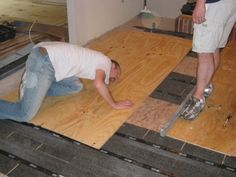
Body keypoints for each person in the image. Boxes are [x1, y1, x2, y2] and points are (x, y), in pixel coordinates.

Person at [0, 41, 133, 122]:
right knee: (25, 114)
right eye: (117, 74)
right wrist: (114, 104)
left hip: (49, 58)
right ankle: (32, 81)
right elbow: (99, 84)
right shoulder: (106, 62)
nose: (116, 78)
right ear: (113, 66)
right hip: (44, 63)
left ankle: (36, 88)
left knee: (77, 86)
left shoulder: (98, 60)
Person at [181, 0, 236, 120]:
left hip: (214, 5)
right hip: (228, 4)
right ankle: (206, 86)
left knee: (204, 51)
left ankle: (198, 98)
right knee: (213, 47)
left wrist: (200, 3)